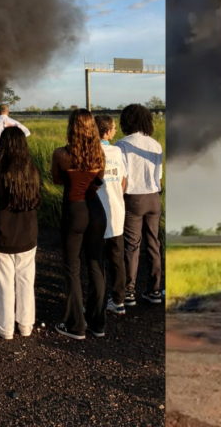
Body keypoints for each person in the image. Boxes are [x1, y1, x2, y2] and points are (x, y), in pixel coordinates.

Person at [50, 109, 107, 340]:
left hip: (74, 210)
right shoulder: (99, 153)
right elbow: (98, 182)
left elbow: (57, 180)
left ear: (71, 127)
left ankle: (76, 325)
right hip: (96, 210)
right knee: (96, 264)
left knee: (72, 267)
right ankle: (98, 323)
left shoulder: (61, 154)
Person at [0, 126, 40, 339]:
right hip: (27, 233)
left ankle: (5, 327)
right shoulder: (32, 170)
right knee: (26, 279)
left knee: (3, 282)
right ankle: (26, 325)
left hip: (0, 233)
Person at [116, 104, 164, 305]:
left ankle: (128, 291)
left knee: (132, 245)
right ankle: (154, 290)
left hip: (133, 198)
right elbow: (159, 177)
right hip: (154, 197)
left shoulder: (122, 144)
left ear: (126, 121)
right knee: (153, 243)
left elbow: (122, 177)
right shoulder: (156, 144)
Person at [94, 115, 128, 315]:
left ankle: (96, 302)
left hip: (96, 213)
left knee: (96, 261)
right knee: (117, 259)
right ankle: (118, 300)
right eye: (114, 128)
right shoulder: (117, 151)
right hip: (116, 212)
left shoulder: (90, 151)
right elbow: (123, 181)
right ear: (107, 132)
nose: (115, 131)